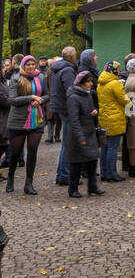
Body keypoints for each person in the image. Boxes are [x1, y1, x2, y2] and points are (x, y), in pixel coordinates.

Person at [5, 55, 46, 194]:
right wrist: (31, 98)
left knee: (33, 150)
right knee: (15, 152)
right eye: (27, 64)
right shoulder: (16, 79)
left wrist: (39, 100)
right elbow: (12, 100)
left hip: (37, 120)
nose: (30, 67)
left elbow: (47, 95)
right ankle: (10, 177)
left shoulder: (40, 77)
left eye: (32, 64)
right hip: (18, 121)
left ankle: (29, 183)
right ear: (23, 65)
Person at [66, 71, 104, 198]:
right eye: (88, 81)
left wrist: (94, 112)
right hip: (78, 134)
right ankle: (73, 189)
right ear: (81, 83)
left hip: (89, 131)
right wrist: (80, 137)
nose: (91, 84)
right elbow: (74, 119)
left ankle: (92, 187)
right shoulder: (73, 97)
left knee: (93, 160)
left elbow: (90, 109)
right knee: (76, 163)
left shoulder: (87, 95)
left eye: (91, 81)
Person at [50, 47, 78, 184]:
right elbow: (71, 91)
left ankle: (62, 173)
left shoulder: (58, 68)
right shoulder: (67, 70)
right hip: (67, 109)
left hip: (61, 107)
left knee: (67, 143)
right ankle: (64, 175)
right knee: (68, 143)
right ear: (72, 57)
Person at [97, 61, 128, 181]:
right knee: (112, 147)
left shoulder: (101, 83)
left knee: (105, 147)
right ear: (114, 70)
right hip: (115, 118)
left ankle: (104, 173)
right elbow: (124, 100)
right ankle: (112, 174)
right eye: (118, 69)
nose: (119, 72)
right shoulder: (115, 83)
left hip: (104, 118)